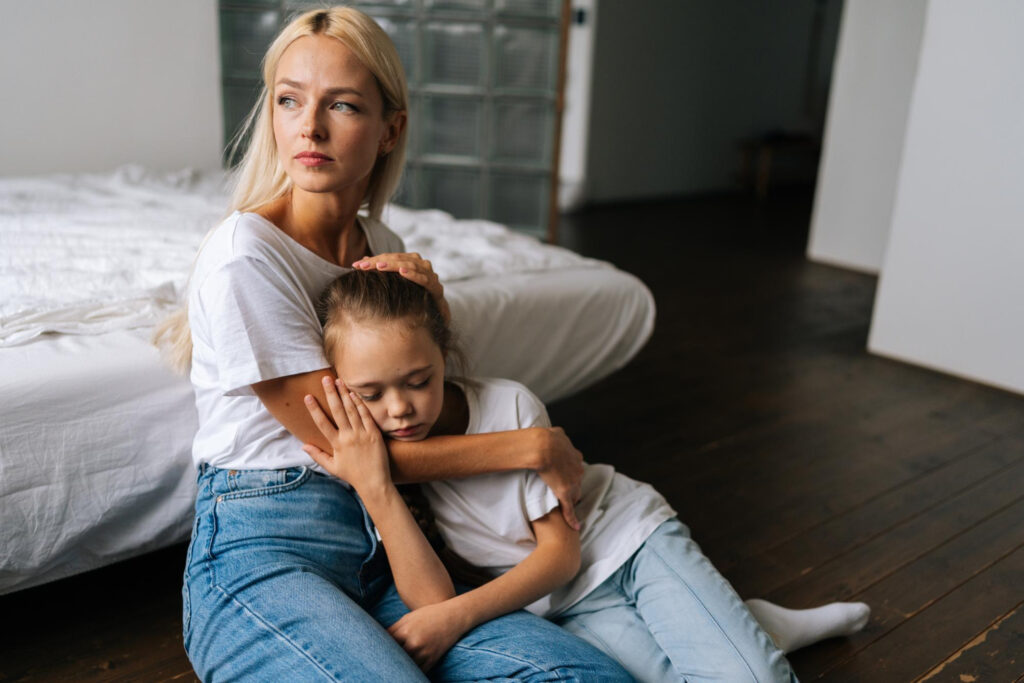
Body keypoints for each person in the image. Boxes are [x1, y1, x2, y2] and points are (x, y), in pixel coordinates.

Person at [158, 6, 632, 681]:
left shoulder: (381, 248)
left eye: (343, 105)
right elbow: (353, 450)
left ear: (390, 129)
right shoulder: (246, 258)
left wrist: (436, 310)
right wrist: (533, 444)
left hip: (392, 546)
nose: (310, 127)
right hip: (264, 549)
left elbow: (415, 411)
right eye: (289, 100)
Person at [303, 269, 872, 682]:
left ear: (444, 356)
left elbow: (561, 556)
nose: (399, 409)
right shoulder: (376, 456)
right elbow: (428, 596)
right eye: (370, 394)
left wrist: (455, 617)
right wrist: (375, 486)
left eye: (418, 381)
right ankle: (755, 624)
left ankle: (743, 634)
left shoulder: (509, 409)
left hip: (625, 544)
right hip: (564, 603)